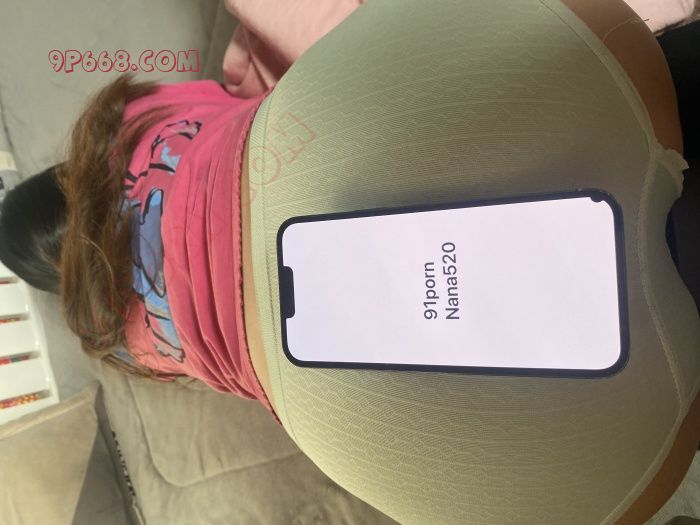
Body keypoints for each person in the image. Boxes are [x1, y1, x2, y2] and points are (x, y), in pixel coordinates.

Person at [0, 1, 697, 523]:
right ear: (65, 175)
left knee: (634, 426)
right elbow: (237, 105)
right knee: (614, 76)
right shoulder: (124, 124)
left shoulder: (121, 343)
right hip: (302, 147)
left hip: (322, 396)